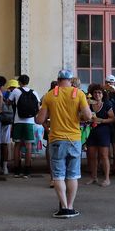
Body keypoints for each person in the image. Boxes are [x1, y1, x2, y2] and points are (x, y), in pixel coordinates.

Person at [36, 69, 91, 218]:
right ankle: (71, 207)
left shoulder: (50, 95)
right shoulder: (79, 94)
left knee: (58, 175)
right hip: (74, 139)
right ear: (71, 80)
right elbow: (88, 116)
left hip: (56, 139)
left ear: (58, 79)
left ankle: (64, 207)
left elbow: (39, 120)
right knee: (73, 175)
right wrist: (78, 116)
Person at [9, 74, 40, 178]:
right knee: (28, 146)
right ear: (28, 82)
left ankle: (17, 170)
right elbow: (38, 106)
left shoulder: (16, 91)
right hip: (30, 122)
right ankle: (27, 170)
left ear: (19, 82)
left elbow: (9, 102)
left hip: (18, 121)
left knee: (17, 145)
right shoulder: (34, 92)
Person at [85, 84, 115, 187]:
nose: (97, 94)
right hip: (91, 131)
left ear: (103, 94)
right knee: (92, 156)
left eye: (99, 92)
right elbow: (83, 116)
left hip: (104, 131)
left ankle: (107, 178)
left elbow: (113, 118)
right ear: (92, 94)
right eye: (95, 92)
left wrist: (101, 120)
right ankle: (94, 177)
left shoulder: (106, 104)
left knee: (104, 155)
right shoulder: (88, 104)